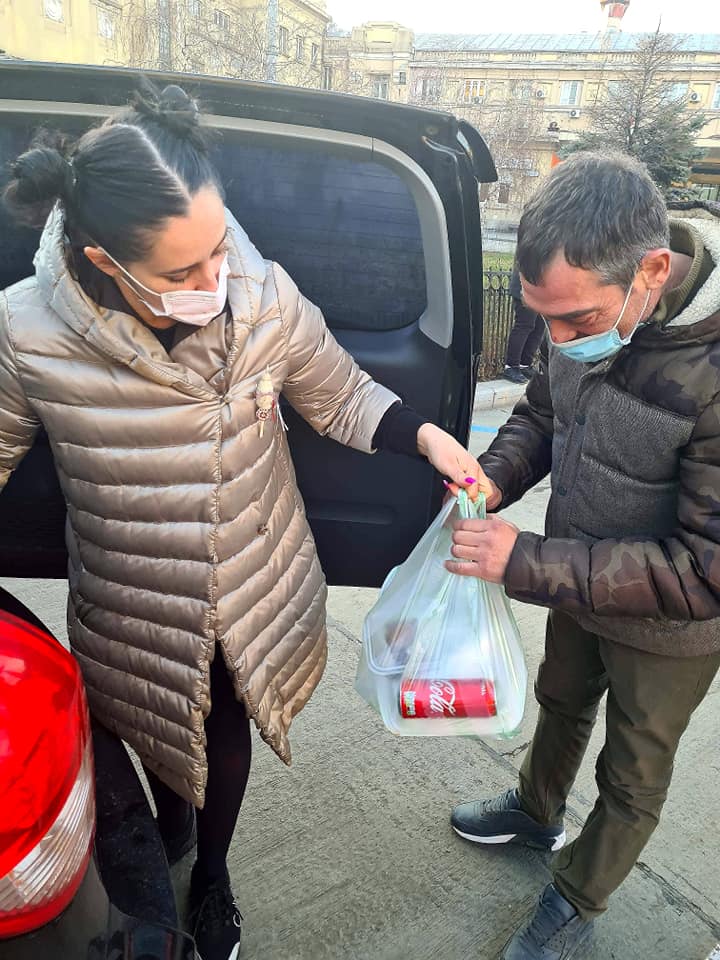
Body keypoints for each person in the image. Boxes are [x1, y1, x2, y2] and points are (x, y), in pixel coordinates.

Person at [0, 82, 482, 960]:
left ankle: (213, 870)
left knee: (227, 727)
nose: (212, 285)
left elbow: (340, 393)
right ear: (104, 260)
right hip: (133, 591)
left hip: (257, 579)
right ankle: (172, 831)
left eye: (218, 250)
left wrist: (425, 437)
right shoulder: (26, 330)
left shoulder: (263, 294)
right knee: (153, 722)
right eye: (180, 274)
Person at [445, 152, 720, 960]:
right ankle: (536, 811)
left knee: (632, 774)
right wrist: (493, 477)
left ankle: (576, 898)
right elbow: (541, 413)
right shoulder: (580, 313)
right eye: (545, 320)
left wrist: (525, 560)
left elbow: (705, 568)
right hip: (576, 578)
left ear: (653, 272)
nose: (558, 341)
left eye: (576, 320)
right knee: (560, 699)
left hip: (671, 628)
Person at [502, 262, 544, 384]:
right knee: (524, 325)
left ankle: (525, 364)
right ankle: (511, 367)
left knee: (538, 328)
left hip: (541, 292)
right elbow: (527, 261)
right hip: (526, 289)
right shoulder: (532, 248)